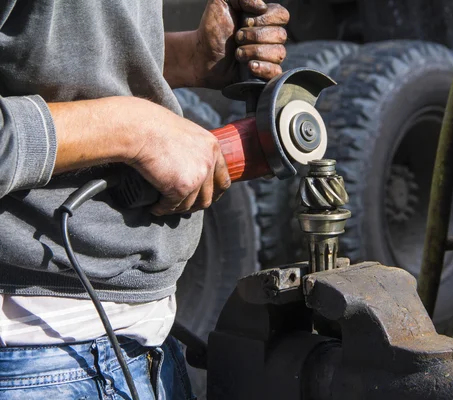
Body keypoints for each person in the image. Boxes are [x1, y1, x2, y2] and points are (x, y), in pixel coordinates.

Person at [0, 0, 289, 398]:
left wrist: (187, 58)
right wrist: (134, 131)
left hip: (143, 346)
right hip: (37, 356)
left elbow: (34, 53)